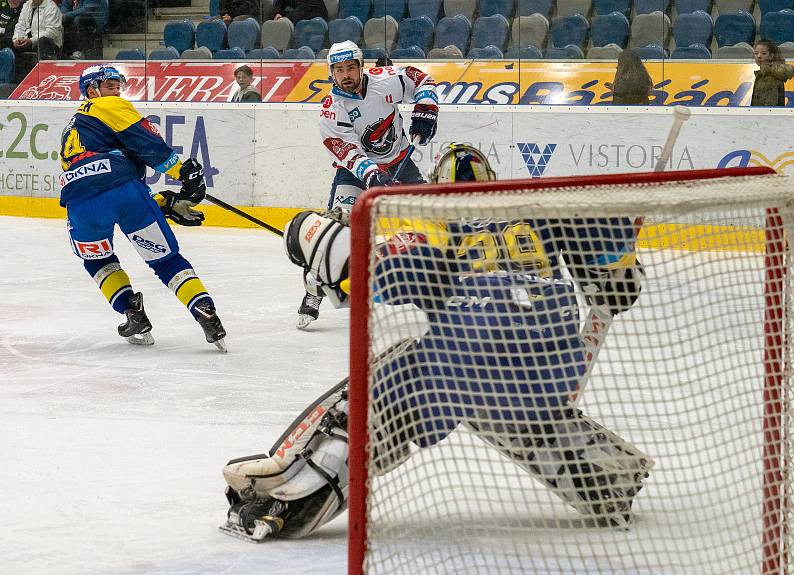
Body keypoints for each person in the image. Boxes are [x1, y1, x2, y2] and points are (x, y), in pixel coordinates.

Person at [219, 144, 652, 543]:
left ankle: (285, 500)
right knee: (503, 398)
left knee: (373, 394)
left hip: (466, 362)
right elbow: (614, 265)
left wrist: (320, 250)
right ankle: (609, 477)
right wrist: (620, 270)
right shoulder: (538, 209)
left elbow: (380, 269)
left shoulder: (436, 222)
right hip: (554, 371)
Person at [59, 65, 227, 351]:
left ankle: (132, 312)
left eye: (117, 86)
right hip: (124, 191)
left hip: (78, 202)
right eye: (110, 85)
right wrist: (184, 172)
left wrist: (160, 201)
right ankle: (204, 311)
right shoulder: (106, 106)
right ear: (92, 91)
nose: (117, 91)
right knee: (165, 260)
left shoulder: (71, 128)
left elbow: (96, 177)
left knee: (97, 259)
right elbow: (144, 141)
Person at [295, 40, 439, 330]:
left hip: (401, 162)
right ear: (330, 73)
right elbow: (344, 150)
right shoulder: (331, 109)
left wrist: (426, 107)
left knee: (430, 220)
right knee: (334, 235)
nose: (345, 75)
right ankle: (314, 289)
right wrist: (371, 173)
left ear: (362, 67)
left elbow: (420, 78)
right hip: (354, 174)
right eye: (339, 70)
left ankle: (437, 288)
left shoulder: (386, 81)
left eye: (351, 67)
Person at [752, 39, 794, 107]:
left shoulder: (769, 76)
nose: (759, 56)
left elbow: (769, 107)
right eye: (756, 53)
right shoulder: (764, 74)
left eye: (763, 53)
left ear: (771, 56)